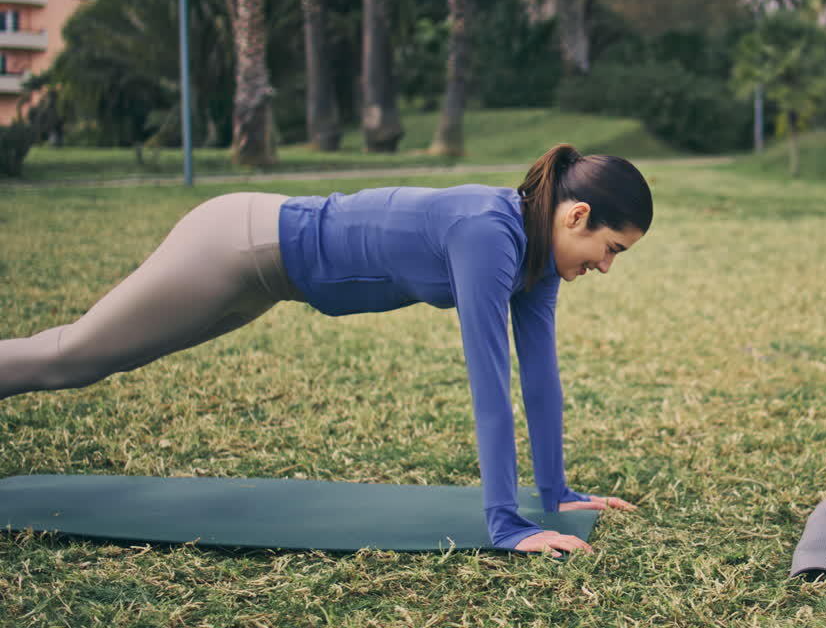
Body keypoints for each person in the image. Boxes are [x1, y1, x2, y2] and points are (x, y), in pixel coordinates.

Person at [0, 143, 649, 557]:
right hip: (237, 246)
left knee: (97, 358)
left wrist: (556, 492)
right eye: (610, 249)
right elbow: (490, 390)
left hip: (268, 280)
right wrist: (507, 526)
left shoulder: (534, 261)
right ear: (575, 215)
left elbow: (538, 378)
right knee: (76, 356)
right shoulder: (489, 234)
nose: (606, 267)